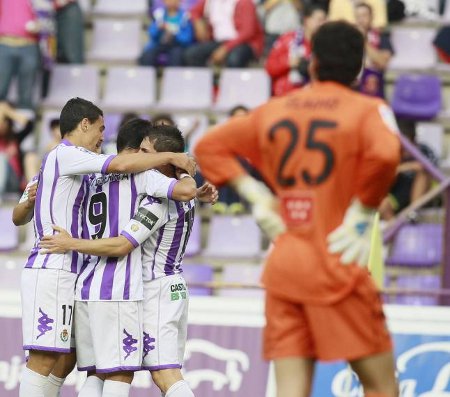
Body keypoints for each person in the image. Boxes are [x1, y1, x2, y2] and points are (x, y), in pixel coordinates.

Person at [195, 21, 400, 397]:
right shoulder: (368, 110)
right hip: (338, 265)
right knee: (382, 387)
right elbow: (388, 153)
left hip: (285, 266)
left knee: (290, 392)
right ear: (358, 68)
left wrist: (254, 194)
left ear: (312, 63)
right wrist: (361, 213)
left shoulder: (275, 110)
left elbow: (208, 146)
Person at [17, 97, 196, 397]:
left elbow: (17, 214)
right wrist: (182, 166)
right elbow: (182, 193)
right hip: (118, 288)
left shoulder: (91, 178)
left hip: (83, 283)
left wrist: (35, 202)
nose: (103, 136)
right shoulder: (134, 177)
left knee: (84, 367)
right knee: (123, 373)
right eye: (100, 128)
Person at [379, 118, 438, 220]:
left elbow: (433, 172)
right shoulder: (391, 151)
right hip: (397, 194)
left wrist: (416, 167)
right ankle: (396, 232)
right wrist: (407, 167)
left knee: (423, 172)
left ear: (412, 138)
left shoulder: (425, 150)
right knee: (383, 205)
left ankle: (412, 213)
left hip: (422, 195)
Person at [265, 4, 327, 96]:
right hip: (286, 96)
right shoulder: (288, 39)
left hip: (313, 97)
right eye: (319, 20)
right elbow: (270, 67)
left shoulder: (326, 44)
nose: (322, 24)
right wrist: (288, 62)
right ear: (307, 20)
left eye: (324, 20)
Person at [184, 0, 264, 68]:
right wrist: (197, 22)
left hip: (243, 42)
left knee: (234, 58)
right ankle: (205, 83)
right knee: (192, 54)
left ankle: (234, 86)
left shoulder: (245, 2)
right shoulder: (210, 2)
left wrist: (225, 48)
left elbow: (247, 32)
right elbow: (194, 11)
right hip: (219, 41)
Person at [0, 0, 41, 109]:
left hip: (29, 44)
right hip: (4, 43)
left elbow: (49, 11)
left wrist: (41, 24)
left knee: (26, 95)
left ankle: (22, 123)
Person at [355, 2, 393, 98]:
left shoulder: (382, 36)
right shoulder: (348, 37)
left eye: (364, 15)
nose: (361, 20)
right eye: (358, 16)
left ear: (371, 17)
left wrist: (363, 41)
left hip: (375, 86)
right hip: (354, 87)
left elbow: (383, 62)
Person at [139, 0, 194, 67]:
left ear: (180, 1)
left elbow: (187, 39)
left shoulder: (185, 17)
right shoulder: (158, 15)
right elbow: (152, 34)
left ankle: (174, 77)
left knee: (176, 56)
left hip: (177, 46)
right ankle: (146, 76)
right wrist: (158, 29)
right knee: (147, 55)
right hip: (159, 44)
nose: (171, 2)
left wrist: (174, 33)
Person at [0, 102, 35, 194]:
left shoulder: (15, 138)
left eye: (5, 121)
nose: (2, 124)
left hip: (13, 180)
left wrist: (9, 112)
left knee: (2, 158)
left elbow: (30, 125)